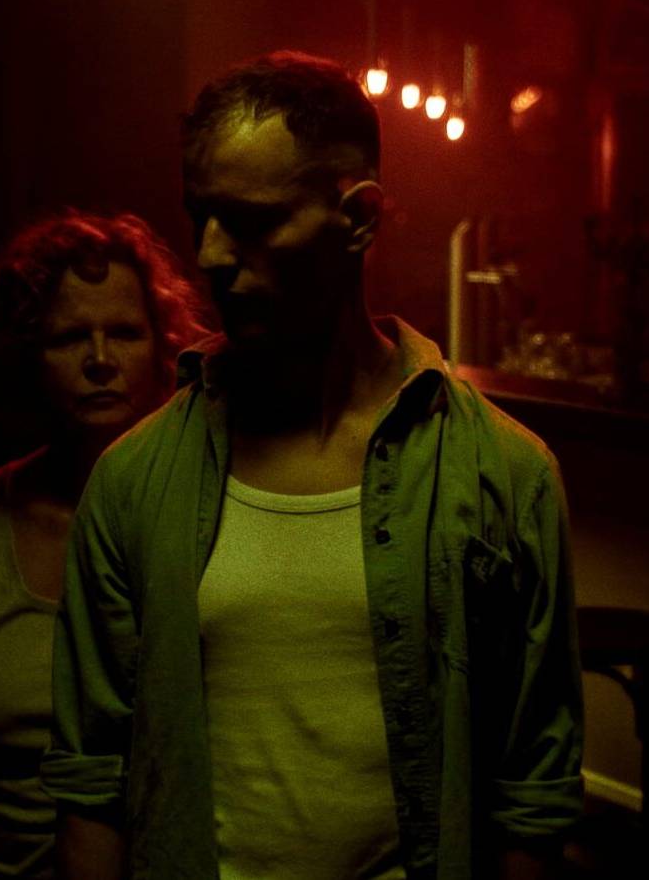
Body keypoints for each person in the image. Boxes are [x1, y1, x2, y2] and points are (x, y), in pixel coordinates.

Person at [43, 52, 584, 880]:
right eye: (201, 216)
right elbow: (91, 779)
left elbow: (533, 794)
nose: (211, 255)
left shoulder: (504, 473)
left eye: (252, 221)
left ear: (357, 218)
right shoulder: (131, 482)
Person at [0, 211, 210, 879]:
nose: (101, 360)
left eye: (125, 333)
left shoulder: (204, 513)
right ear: (27, 352)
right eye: (70, 336)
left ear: (162, 345)